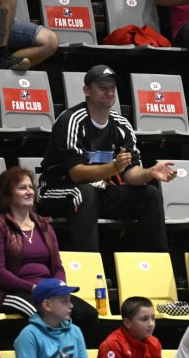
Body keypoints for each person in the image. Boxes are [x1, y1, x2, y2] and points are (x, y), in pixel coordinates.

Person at [37, 65, 174, 252]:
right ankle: (89, 266)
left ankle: (156, 263)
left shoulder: (122, 125)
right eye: (102, 87)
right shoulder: (71, 120)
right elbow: (76, 174)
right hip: (56, 191)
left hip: (97, 193)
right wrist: (114, 167)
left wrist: (149, 172)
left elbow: (130, 173)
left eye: (112, 88)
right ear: (87, 91)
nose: (109, 92)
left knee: (150, 195)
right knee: (84, 192)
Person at [0, 166, 98, 338]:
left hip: (46, 290)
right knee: (46, 315)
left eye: (30, 187)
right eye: (22, 188)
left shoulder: (44, 226)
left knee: (87, 314)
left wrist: (57, 287)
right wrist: (33, 288)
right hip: (10, 292)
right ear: (7, 194)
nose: (29, 192)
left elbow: (58, 266)